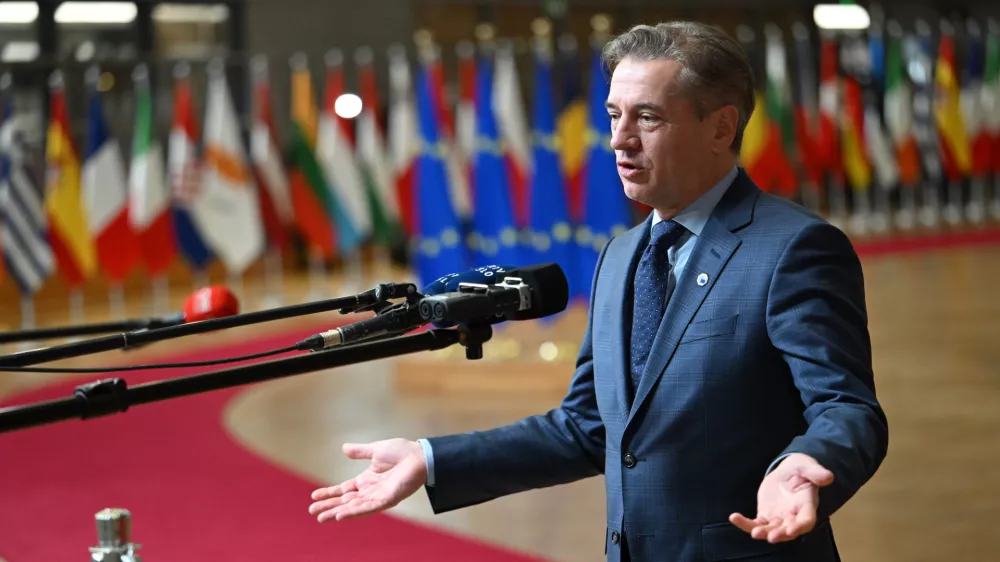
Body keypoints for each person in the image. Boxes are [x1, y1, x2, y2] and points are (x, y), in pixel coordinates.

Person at [308, 21, 888, 562]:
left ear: (721, 126)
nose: (618, 139)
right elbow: (589, 426)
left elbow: (847, 407)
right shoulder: (619, 258)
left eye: (648, 118)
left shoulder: (794, 248)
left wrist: (806, 463)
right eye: (613, 115)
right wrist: (431, 460)